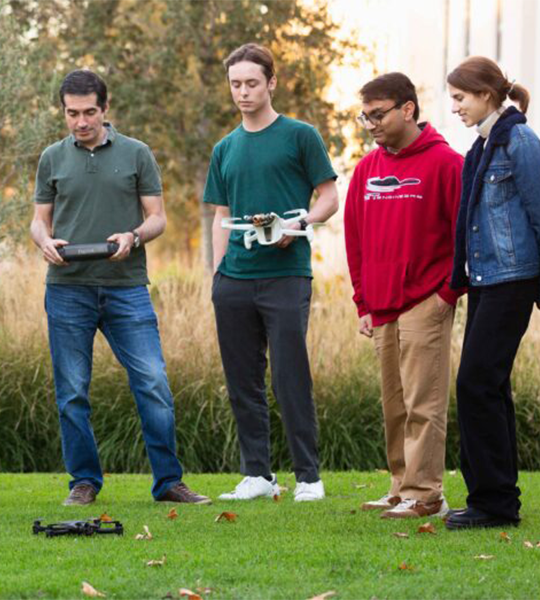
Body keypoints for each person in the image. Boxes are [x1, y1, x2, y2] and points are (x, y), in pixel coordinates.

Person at [30, 69, 210, 506]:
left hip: (126, 287)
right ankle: (84, 482)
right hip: (68, 288)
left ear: (105, 109)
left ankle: (168, 481)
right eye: (72, 113)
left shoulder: (136, 153)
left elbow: (158, 217)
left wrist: (134, 236)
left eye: (89, 112)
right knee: (72, 390)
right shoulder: (52, 158)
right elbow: (39, 220)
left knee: (152, 381)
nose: (81, 122)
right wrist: (43, 240)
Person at [205, 44, 338, 502]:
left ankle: (308, 478)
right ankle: (258, 475)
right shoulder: (224, 148)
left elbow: (328, 197)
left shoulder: (300, 136)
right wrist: (218, 274)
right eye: (236, 84)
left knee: (289, 376)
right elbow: (221, 213)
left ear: (271, 83)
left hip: (286, 275)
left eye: (252, 83)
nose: (243, 92)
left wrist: (300, 222)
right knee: (242, 380)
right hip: (235, 280)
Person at [344, 73, 464, 519]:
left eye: (378, 114)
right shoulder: (367, 169)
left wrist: (447, 294)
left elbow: (463, 235)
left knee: (423, 404)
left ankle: (427, 493)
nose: (371, 124)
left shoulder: (446, 163)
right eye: (365, 117)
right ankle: (400, 486)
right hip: (381, 305)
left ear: (408, 109)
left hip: (425, 301)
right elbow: (354, 239)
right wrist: (362, 302)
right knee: (394, 405)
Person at [444, 57, 539, 530]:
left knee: (475, 383)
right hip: (485, 280)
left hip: (514, 279)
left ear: (485, 93)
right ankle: (497, 501)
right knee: (490, 385)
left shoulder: (519, 141)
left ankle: (493, 502)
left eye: (460, 98)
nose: (455, 107)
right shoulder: (479, 149)